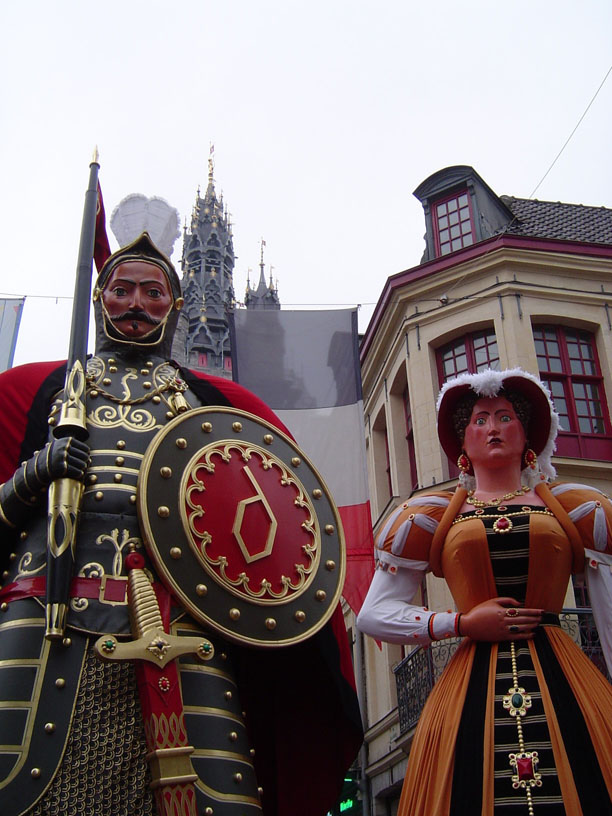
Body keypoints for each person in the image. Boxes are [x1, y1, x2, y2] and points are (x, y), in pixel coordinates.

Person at [0, 233, 362, 816]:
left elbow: (274, 522)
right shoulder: (38, 391)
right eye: (121, 290)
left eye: (152, 291)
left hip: (180, 622)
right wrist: (28, 480)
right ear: (100, 300)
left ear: (176, 305)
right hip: (46, 615)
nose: (136, 302)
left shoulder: (218, 403)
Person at [357, 367, 612, 815]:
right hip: (469, 686)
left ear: (527, 434)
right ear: (463, 444)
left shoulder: (575, 506)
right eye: (479, 420)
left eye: (505, 416)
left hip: (566, 678)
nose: (493, 428)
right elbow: (373, 614)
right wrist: (459, 622)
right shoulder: (430, 516)